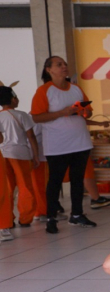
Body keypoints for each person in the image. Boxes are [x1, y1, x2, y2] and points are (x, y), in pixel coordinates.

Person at [30, 56, 96, 233]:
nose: (64, 67)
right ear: (49, 70)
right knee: (55, 181)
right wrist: (62, 112)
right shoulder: (44, 91)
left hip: (80, 142)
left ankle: (77, 214)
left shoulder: (76, 88)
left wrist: (82, 111)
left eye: (65, 64)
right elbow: (36, 117)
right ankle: (51, 217)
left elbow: (89, 112)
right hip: (57, 144)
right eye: (59, 65)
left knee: (77, 179)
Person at [0, 85, 39, 239]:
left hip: (4, 155)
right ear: (12, 98)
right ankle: (25, 218)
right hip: (21, 154)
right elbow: (31, 137)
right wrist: (35, 155)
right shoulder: (22, 115)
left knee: (8, 188)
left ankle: (7, 220)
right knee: (25, 187)